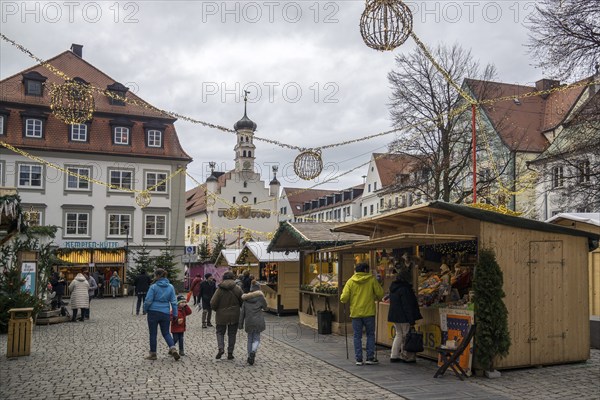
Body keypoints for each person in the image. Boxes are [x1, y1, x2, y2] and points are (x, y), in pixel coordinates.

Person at [340, 262, 384, 365]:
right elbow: (380, 294)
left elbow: (344, 298)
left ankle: (358, 359)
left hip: (356, 313)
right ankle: (370, 357)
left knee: (357, 336)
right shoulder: (372, 280)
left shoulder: (350, 281)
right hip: (369, 312)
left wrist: (346, 300)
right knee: (370, 335)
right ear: (365, 270)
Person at [143, 268, 180, 361]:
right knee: (166, 333)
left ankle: (153, 354)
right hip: (165, 313)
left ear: (157, 276)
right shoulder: (170, 287)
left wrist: (145, 309)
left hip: (153, 312)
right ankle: (173, 348)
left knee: (153, 333)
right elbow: (174, 302)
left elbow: (148, 300)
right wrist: (175, 314)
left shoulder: (153, 287)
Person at [388, 269, 423, 363]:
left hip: (395, 315)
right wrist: (411, 320)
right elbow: (407, 305)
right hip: (404, 316)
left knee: (399, 334)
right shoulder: (405, 289)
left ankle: (394, 355)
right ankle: (405, 356)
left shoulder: (394, 287)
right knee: (406, 336)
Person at [210, 271, 243, 360]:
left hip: (221, 315)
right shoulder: (238, 288)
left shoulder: (219, 289)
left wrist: (217, 310)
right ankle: (230, 353)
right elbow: (242, 302)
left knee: (220, 332)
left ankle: (221, 348)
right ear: (233, 278)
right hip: (234, 315)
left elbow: (213, 303)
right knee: (232, 334)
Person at [239, 280, 267, 365]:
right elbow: (265, 307)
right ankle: (253, 351)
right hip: (258, 321)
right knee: (256, 338)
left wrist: (240, 324)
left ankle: (249, 356)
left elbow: (242, 313)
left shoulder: (246, 299)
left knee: (249, 339)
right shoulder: (261, 297)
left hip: (249, 321)